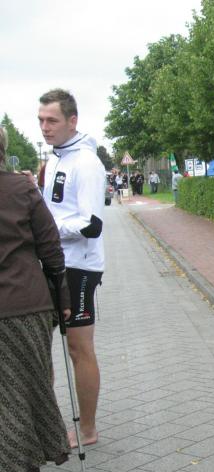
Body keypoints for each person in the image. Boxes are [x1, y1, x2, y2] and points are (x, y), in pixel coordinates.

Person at [0, 125, 72, 472]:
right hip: (26, 305)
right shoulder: (23, 190)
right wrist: (62, 299)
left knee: (10, 391)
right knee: (24, 388)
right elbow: (51, 249)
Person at [38, 88, 106, 448]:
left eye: (52, 120)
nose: (45, 127)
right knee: (39, 345)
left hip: (80, 267)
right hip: (52, 262)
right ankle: (46, 426)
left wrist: (48, 229)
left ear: (72, 120)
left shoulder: (86, 163)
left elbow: (92, 224)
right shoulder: (54, 159)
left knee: (79, 349)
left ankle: (88, 429)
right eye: (41, 120)